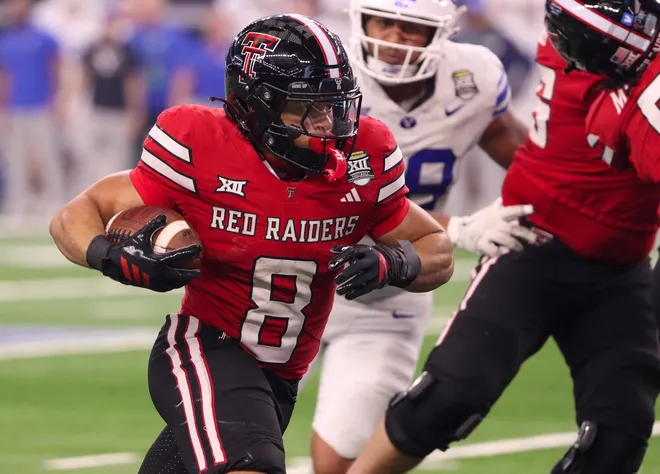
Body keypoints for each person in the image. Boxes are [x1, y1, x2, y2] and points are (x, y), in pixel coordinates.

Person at [48, 13, 455, 474]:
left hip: (279, 378)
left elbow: (435, 247)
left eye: (335, 106)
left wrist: (394, 262)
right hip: (206, 346)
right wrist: (111, 255)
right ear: (254, 105)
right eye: (309, 108)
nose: (330, 124)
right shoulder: (199, 141)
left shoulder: (365, 155)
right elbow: (74, 215)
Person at [346, 8, 660, 474]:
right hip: (530, 241)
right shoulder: (615, 98)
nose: (559, 44)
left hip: (620, 264)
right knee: (449, 395)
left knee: (619, 434)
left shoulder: (622, 79)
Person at [304, 1, 537, 473]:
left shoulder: (473, 77)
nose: (393, 37)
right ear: (359, 19)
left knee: (342, 466)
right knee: (232, 441)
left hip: (392, 294)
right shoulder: (320, 78)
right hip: (294, 280)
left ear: (442, 31)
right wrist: (461, 228)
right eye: (383, 21)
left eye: (410, 26)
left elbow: (521, 155)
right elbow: (329, 201)